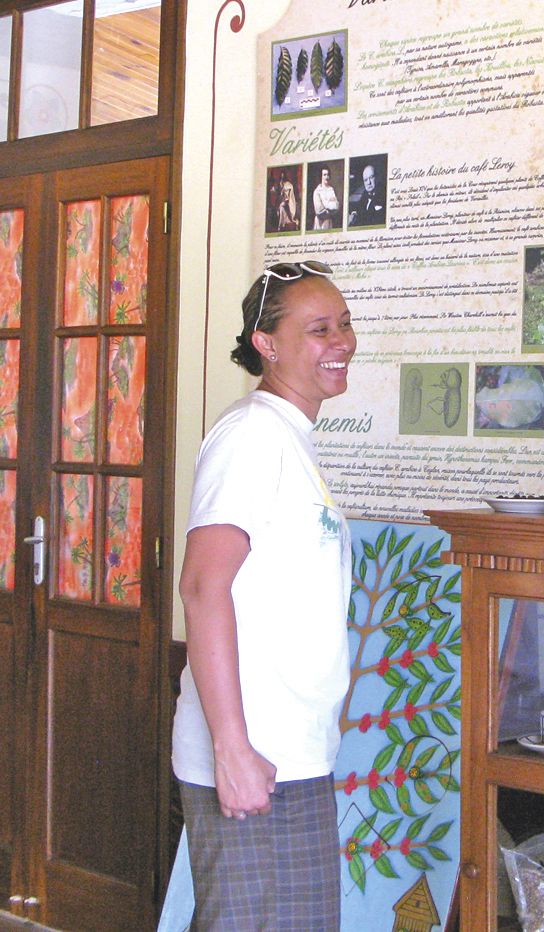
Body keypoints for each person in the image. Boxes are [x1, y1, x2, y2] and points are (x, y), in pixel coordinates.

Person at [172, 259, 356, 930]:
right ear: (266, 344)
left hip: (290, 752)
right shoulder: (252, 436)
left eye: (344, 324)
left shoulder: (288, 437)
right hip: (256, 756)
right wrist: (233, 750)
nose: (340, 342)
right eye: (318, 329)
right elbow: (202, 586)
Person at [348, 162, 385, 227]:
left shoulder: (383, 195)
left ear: (377, 178)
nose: (368, 182)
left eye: (371, 177)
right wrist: (354, 214)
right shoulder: (364, 195)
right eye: (365, 180)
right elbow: (359, 210)